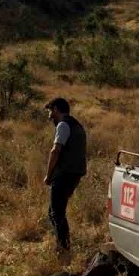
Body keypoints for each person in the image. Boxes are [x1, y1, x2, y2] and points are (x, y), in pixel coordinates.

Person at [44, 98, 87, 264]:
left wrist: (48, 175)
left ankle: (63, 250)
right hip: (75, 174)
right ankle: (62, 247)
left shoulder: (63, 125)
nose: (49, 117)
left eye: (50, 112)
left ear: (56, 109)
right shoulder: (77, 125)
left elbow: (55, 151)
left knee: (56, 212)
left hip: (64, 175)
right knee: (56, 211)